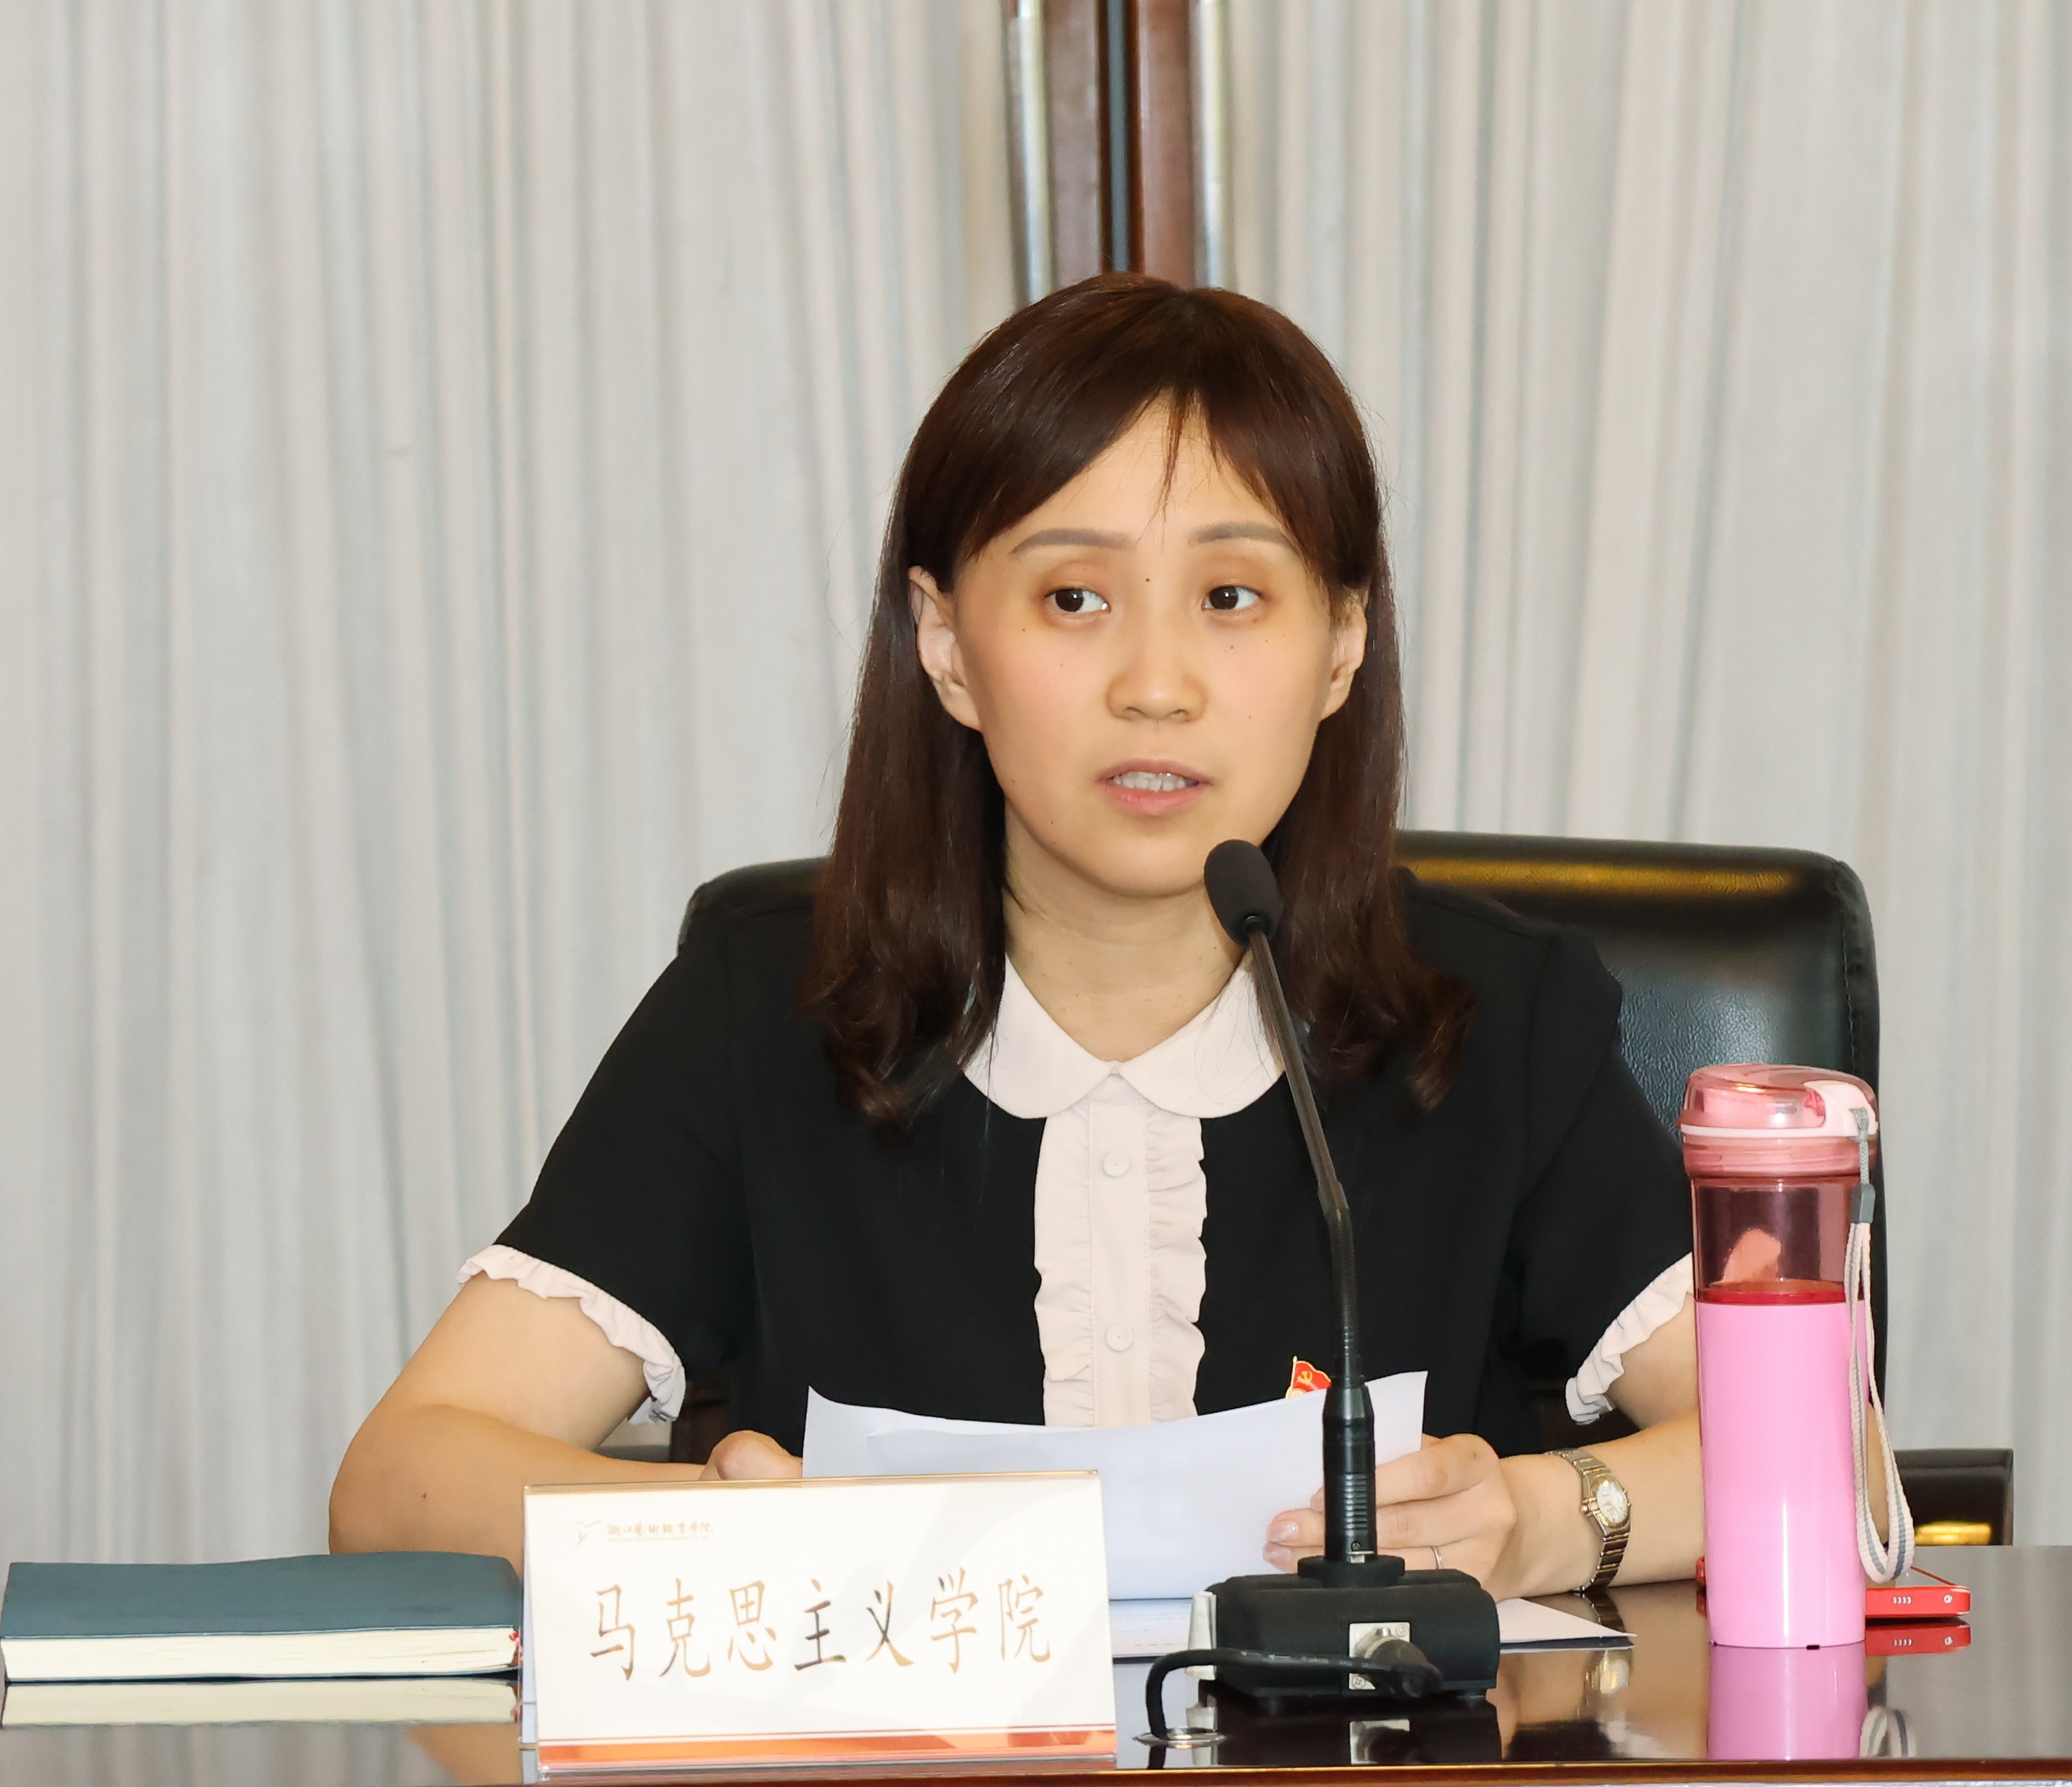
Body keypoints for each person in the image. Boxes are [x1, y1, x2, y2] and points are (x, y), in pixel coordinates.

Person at [329, 274, 1702, 1597]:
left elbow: (1796, 1451)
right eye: (1072, 599)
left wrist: (1545, 1518)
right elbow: (400, 1480)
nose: (1154, 686)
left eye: (1230, 598)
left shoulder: (1491, 1017)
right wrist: (726, 1535)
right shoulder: (771, 1007)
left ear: (1341, 641)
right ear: (944, 644)